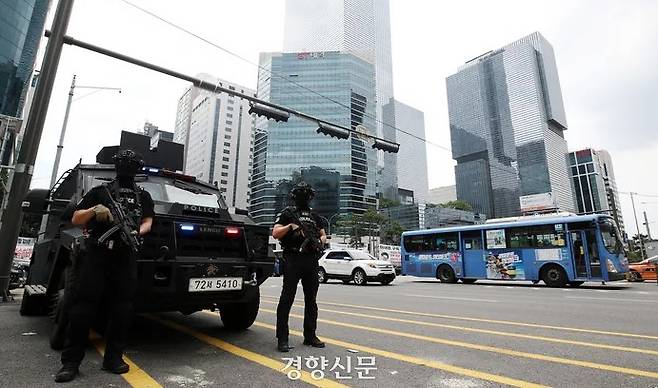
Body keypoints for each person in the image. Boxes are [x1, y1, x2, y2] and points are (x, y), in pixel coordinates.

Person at [55, 150, 154, 383]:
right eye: (123, 163)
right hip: (98, 252)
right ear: (116, 165)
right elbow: (75, 218)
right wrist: (94, 210)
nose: (127, 168)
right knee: (83, 307)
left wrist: (137, 231)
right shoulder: (100, 192)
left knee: (123, 308)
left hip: (126, 255)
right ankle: (71, 362)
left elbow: (148, 220)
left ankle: (113, 358)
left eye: (131, 164)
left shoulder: (143, 196)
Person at [272, 182, 327, 352]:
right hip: (293, 258)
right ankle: (282, 339)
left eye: (307, 194)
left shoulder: (315, 217)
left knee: (311, 300)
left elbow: (323, 234)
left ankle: (310, 335)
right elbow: (275, 233)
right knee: (287, 298)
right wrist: (290, 227)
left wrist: (319, 241)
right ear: (295, 197)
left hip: (311, 260)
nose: (304, 197)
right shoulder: (287, 214)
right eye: (301, 194)